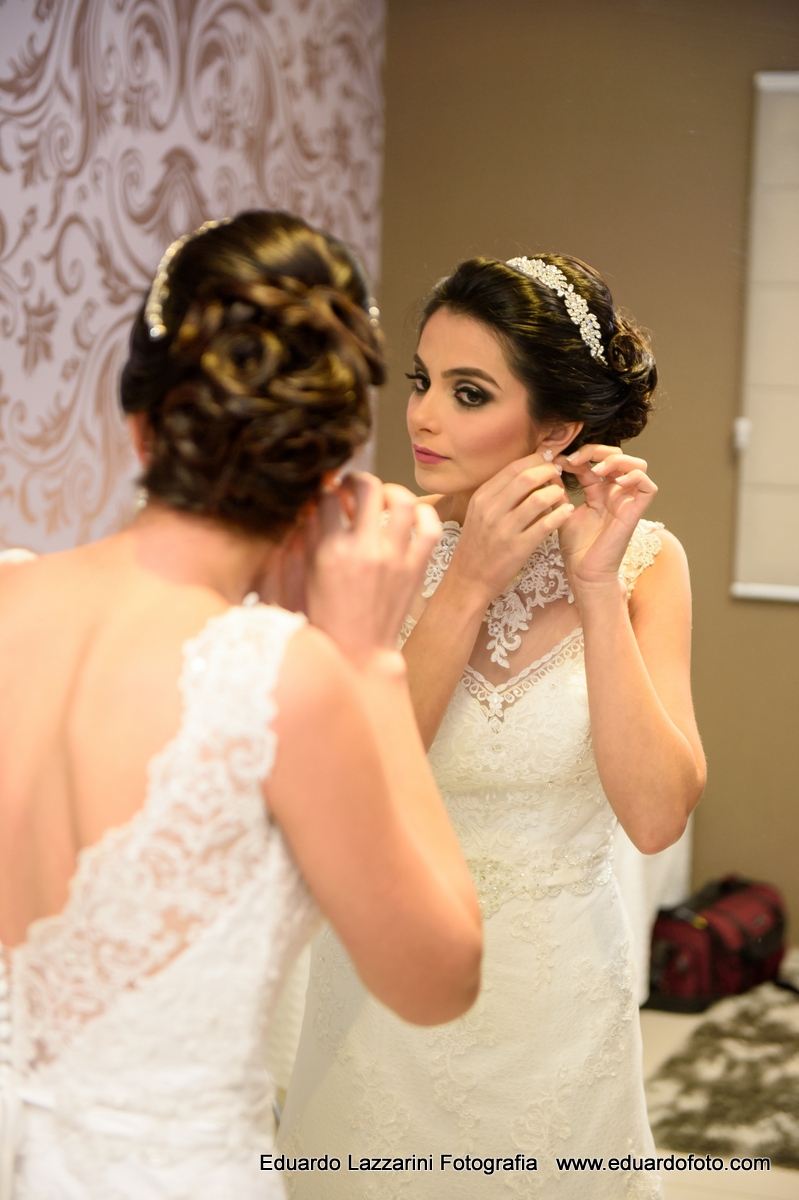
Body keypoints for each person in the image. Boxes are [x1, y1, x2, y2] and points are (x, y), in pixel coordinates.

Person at [0, 211, 483, 1200]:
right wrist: (367, 666)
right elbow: (439, 979)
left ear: (140, 422)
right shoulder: (282, 678)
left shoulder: (10, 594)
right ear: (326, 464)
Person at [278, 254, 706, 1198]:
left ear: (556, 429)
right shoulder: (370, 540)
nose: (423, 415)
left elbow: (653, 819)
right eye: (422, 382)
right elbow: (353, 787)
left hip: (557, 1000)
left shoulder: (644, 565)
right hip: (383, 987)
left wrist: (594, 588)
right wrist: (464, 584)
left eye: (467, 392)